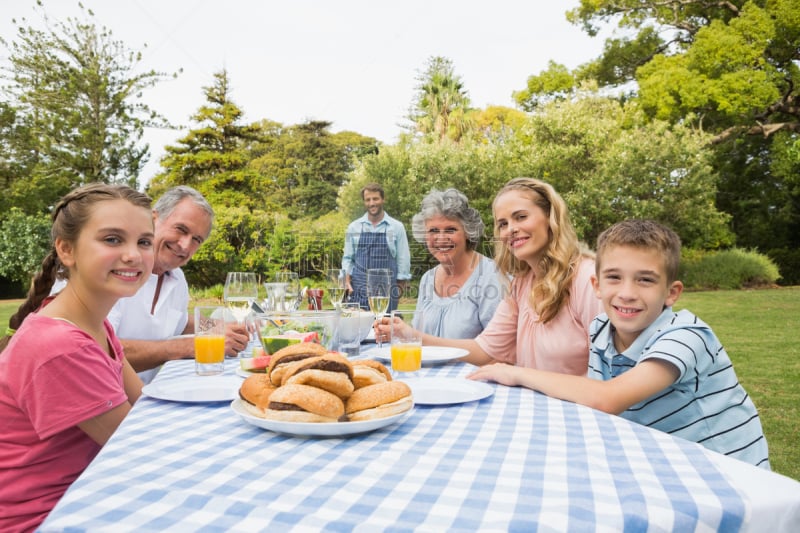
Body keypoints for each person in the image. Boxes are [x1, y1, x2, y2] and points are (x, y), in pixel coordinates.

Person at [469, 219, 770, 469]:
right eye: (614, 277)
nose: (626, 293)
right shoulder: (601, 329)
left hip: (727, 473)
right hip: (666, 462)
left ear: (671, 292)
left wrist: (516, 373)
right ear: (597, 286)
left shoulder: (686, 335)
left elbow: (607, 399)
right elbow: (596, 411)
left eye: (645, 280)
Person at [0, 183, 155, 532]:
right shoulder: (60, 346)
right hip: (46, 518)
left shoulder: (93, 325)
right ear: (66, 250)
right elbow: (139, 454)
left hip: (87, 495)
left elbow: (143, 412)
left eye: (144, 242)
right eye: (113, 239)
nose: (134, 254)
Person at [378, 177, 602, 375]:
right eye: (503, 224)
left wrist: (521, 376)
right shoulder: (522, 284)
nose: (511, 229)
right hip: (533, 406)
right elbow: (484, 349)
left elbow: (612, 378)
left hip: (579, 415)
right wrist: (410, 335)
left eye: (521, 217)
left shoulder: (587, 279)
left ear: (551, 217)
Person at [53, 186, 249, 383]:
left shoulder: (177, 277)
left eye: (197, 239)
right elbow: (92, 349)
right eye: (181, 229)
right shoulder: (113, 272)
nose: (185, 245)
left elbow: (177, 320)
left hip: (137, 397)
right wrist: (192, 346)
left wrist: (218, 328)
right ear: (153, 219)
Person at [410, 188, 503, 338]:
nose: (441, 238)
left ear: (468, 232)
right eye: (433, 230)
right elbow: (415, 338)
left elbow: (500, 349)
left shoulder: (491, 277)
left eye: (450, 230)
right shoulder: (427, 279)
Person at [342, 182, 411, 312]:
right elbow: (347, 259)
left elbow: (403, 258)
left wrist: (400, 285)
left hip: (386, 291)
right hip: (359, 289)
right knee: (358, 329)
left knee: (384, 330)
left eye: (375, 198)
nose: (372, 203)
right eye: (368, 200)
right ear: (364, 202)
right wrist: (346, 279)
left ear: (383, 199)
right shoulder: (354, 227)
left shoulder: (396, 227)